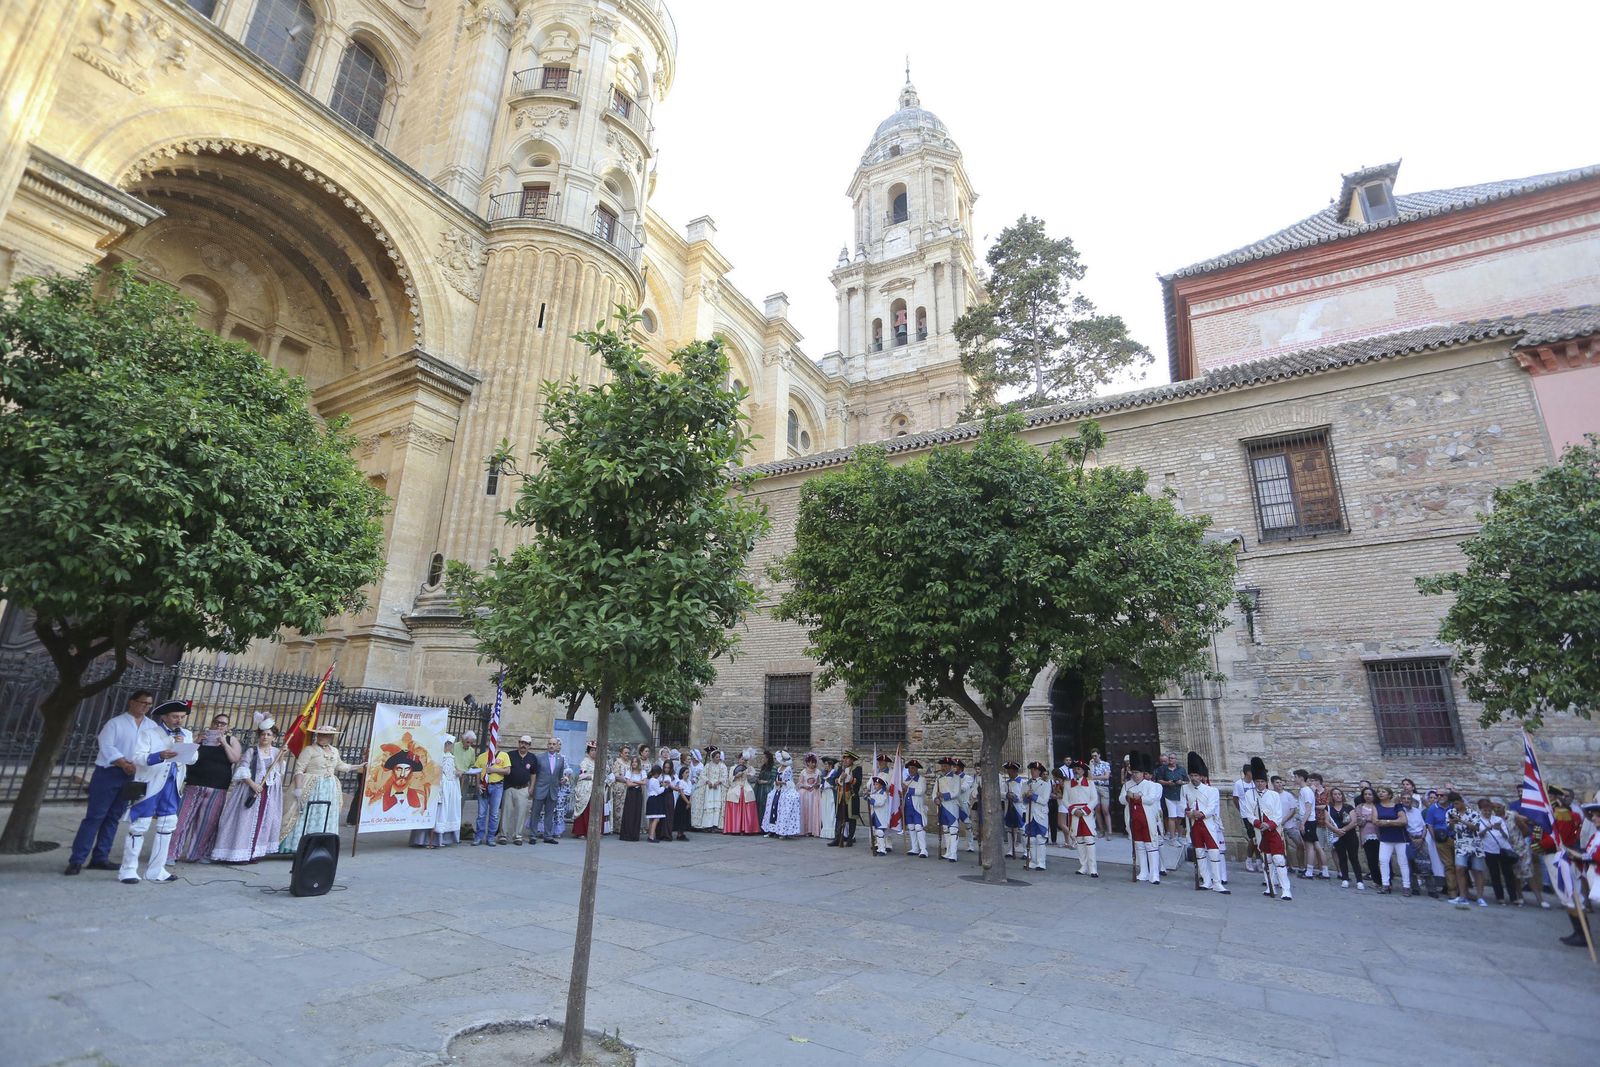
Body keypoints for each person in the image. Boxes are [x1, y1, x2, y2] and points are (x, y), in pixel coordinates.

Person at [66, 690, 157, 876]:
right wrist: (123, 762)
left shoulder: (151, 726)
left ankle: (100, 857)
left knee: (114, 817)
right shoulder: (115, 723)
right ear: (132, 702)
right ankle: (77, 859)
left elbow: (154, 747)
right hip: (109, 773)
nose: (145, 707)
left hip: (133, 775)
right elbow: (107, 745)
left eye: (149, 704)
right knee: (95, 817)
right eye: (142, 703)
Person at [117, 700, 198, 884]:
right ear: (164, 717)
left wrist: (184, 744)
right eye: (175, 717)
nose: (179, 721)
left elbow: (192, 759)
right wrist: (160, 755)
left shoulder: (186, 734)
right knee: (139, 826)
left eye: (182, 717)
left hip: (172, 786)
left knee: (167, 825)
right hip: (150, 785)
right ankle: (128, 870)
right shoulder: (149, 734)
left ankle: (156, 869)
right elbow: (137, 758)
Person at [280, 723, 365, 855]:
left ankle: (321, 846)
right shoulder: (309, 750)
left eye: (325, 735)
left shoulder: (334, 751)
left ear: (331, 737)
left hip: (329, 788)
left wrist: (358, 766)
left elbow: (341, 766)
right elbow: (299, 769)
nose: (321, 737)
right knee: (308, 814)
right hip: (312, 786)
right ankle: (301, 847)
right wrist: (298, 789)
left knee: (325, 815)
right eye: (320, 734)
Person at [171, 712, 241, 863]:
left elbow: (235, 759)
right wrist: (197, 741)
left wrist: (224, 743)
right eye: (217, 722)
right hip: (194, 784)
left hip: (217, 787)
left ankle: (197, 854)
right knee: (181, 821)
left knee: (207, 823)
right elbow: (186, 756)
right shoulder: (200, 737)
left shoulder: (231, 740)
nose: (219, 725)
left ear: (227, 727)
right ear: (212, 723)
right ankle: (171, 853)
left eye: (223, 724)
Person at [212, 723, 286, 862]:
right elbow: (243, 770)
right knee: (245, 821)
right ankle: (239, 853)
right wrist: (253, 785)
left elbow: (279, 770)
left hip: (268, 793)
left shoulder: (276, 752)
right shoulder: (252, 751)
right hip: (250, 791)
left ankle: (253, 852)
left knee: (262, 821)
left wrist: (282, 755)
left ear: (274, 738)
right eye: (263, 734)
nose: (265, 737)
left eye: (269, 734)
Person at [1240, 757, 1292, 900]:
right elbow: (1248, 813)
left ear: (1266, 782)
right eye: (1257, 781)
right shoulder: (1249, 794)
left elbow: (1278, 813)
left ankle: (1286, 890)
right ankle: (1270, 886)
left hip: (1274, 830)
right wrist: (1257, 823)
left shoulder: (1274, 795)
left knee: (1279, 859)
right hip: (1259, 831)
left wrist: (1270, 824)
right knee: (1266, 859)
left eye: (1262, 781)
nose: (1260, 784)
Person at [1182, 752, 1228, 893]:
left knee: (1214, 852)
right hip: (1194, 824)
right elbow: (1182, 804)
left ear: (1201, 776)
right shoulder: (1184, 788)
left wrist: (1201, 813)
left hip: (1207, 824)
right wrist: (1188, 812)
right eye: (1192, 776)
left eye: (1196, 776)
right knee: (1199, 852)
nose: (1194, 778)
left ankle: (1217, 881)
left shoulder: (1211, 790)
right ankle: (1206, 880)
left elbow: (1212, 807)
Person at [1556, 801, 1600, 947]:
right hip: (1591, 873)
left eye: (1597, 816)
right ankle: (1582, 936)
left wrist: (1578, 856)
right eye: (1593, 816)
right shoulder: (1597, 834)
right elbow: (1590, 853)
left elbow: (1595, 856)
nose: (1593, 818)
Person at [408, 735, 462, 849]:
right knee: (439, 813)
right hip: (443, 788)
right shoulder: (448, 757)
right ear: (447, 745)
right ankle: (434, 840)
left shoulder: (434, 756)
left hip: (433, 786)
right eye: (451, 745)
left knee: (430, 812)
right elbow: (449, 774)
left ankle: (422, 839)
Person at [1121, 755, 1165, 884]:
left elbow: (1151, 799)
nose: (1135, 775)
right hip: (1134, 819)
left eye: (1138, 773)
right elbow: (1121, 799)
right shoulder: (1127, 785)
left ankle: (1154, 873)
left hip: (1148, 818)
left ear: (1142, 773)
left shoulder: (1151, 785)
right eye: (1133, 772)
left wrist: (1136, 796)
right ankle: (1143, 871)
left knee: (1151, 845)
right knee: (1139, 845)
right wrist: (1129, 797)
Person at [1479, 797, 1521, 906]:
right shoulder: (1479, 820)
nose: (1487, 812)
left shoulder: (1498, 819)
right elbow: (1479, 836)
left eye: (1489, 810)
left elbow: (1506, 836)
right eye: (1485, 811)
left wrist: (1500, 829)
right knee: (1495, 874)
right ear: (1481, 810)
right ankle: (1500, 897)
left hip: (1503, 849)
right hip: (1489, 850)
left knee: (1508, 874)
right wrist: (1487, 828)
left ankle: (1513, 897)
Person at [1373, 786, 1414, 896]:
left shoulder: (1397, 806)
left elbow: (1404, 821)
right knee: (1383, 860)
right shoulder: (1376, 806)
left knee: (1403, 862)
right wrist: (1395, 822)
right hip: (1385, 837)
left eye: (1383, 791)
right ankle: (1385, 885)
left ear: (1390, 795)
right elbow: (1376, 821)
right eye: (1379, 792)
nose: (1380, 793)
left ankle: (1406, 886)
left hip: (1400, 838)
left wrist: (1386, 822)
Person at [529, 736, 569, 844]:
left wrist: (562, 781)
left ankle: (548, 835)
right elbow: (534, 774)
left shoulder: (561, 759)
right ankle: (533, 835)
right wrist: (532, 787)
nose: (551, 746)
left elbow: (559, 775)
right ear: (547, 745)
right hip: (540, 788)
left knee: (550, 813)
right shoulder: (539, 758)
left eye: (554, 744)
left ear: (557, 746)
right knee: (535, 813)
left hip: (553, 790)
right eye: (550, 744)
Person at [469, 743, 510, 847]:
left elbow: (507, 771)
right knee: (481, 813)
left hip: (497, 787)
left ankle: (491, 837)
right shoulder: (482, 756)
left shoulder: (504, 755)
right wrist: (478, 785)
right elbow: (478, 771)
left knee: (494, 814)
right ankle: (479, 836)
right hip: (484, 786)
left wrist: (494, 770)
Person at [498, 736, 537, 845]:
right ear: (518, 743)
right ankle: (503, 835)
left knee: (521, 814)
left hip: (523, 788)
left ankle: (518, 836)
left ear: (529, 746)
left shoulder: (532, 758)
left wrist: (531, 787)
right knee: (506, 812)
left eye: (526, 743)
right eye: (522, 742)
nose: (523, 745)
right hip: (509, 787)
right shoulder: (509, 755)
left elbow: (533, 774)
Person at [1063, 762, 1099, 877]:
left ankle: (1093, 868)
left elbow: (1094, 799)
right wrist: (1074, 810)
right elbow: (1065, 800)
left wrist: (1084, 811)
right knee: (1079, 840)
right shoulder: (1068, 784)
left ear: (1083, 771)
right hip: (1075, 815)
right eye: (1074, 769)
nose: (1076, 771)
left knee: (1089, 840)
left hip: (1086, 815)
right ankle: (1083, 866)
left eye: (1078, 769)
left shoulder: (1090, 783)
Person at [1322, 787, 1361, 888]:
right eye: (1335, 794)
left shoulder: (1348, 807)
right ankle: (1345, 878)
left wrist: (1343, 830)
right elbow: (1326, 821)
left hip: (1350, 835)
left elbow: (1354, 821)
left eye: (1339, 794)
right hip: (1337, 836)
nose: (1337, 796)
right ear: (1332, 796)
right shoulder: (1328, 808)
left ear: (1342, 795)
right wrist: (1336, 831)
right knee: (1342, 857)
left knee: (1354, 857)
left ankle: (1359, 880)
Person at [1293, 770, 1324, 879]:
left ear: (1301, 778)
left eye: (1295, 777)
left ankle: (1309, 871)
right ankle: (1324, 871)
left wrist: (1302, 823)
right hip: (1308, 821)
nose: (1294, 779)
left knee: (1309, 846)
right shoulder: (1305, 790)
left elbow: (1308, 809)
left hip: (1308, 821)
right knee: (1315, 845)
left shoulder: (1306, 791)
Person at [725, 749, 761, 835]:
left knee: (748, 798)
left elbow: (753, 774)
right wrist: (735, 776)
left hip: (746, 787)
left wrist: (748, 766)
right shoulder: (733, 768)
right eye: (741, 759)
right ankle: (735, 828)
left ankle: (747, 828)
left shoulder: (747, 768)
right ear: (738, 759)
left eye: (744, 759)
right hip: (735, 788)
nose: (743, 761)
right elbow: (729, 780)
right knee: (734, 797)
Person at [1023, 762, 1051, 871]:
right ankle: (1033, 861)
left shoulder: (1045, 784)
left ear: (1039, 772)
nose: (1033, 772)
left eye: (1035, 770)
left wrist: (1033, 796)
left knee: (1040, 838)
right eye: (1032, 770)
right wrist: (1026, 796)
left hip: (1040, 814)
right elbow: (1023, 801)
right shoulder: (1026, 784)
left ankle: (1041, 862)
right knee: (1032, 839)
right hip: (1030, 813)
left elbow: (1044, 800)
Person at [1232, 763, 1260, 874]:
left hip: (1256, 813)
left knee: (1258, 838)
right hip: (1246, 814)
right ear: (1247, 772)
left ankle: (1258, 860)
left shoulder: (1255, 783)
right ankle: (1248, 859)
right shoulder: (1239, 784)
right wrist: (1241, 810)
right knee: (1253, 838)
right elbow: (1235, 798)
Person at [1154, 752, 1186, 844]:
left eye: (1173, 758)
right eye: (1170, 758)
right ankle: (1172, 838)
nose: (1171, 760)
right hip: (1169, 795)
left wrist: (1181, 782)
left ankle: (1180, 836)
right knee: (1172, 816)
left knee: (1180, 816)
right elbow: (1159, 780)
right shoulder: (1163, 769)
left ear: (1176, 759)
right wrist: (1167, 783)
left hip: (1180, 794)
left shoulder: (1181, 769)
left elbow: (1187, 780)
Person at [829, 751, 860, 847]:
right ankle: (837, 838)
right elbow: (835, 781)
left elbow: (857, 782)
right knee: (839, 818)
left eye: (847, 758)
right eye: (844, 758)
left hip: (851, 797)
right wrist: (840, 779)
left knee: (851, 819)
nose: (845, 760)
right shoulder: (840, 769)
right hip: (840, 796)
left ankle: (850, 838)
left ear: (852, 760)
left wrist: (849, 779)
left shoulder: (857, 769)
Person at [899, 759, 929, 857]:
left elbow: (921, 791)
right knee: (911, 827)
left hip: (917, 807)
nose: (911, 770)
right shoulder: (906, 780)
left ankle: (923, 849)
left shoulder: (921, 779)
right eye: (910, 768)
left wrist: (908, 789)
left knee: (918, 827)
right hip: (907, 807)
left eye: (913, 768)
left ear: (917, 769)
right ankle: (915, 848)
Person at [1354, 786, 1381, 890]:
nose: (1367, 796)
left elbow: (1378, 819)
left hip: (1379, 835)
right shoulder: (1360, 807)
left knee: (1382, 859)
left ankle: (1386, 880)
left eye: (1370, 794)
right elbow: (1358, 821)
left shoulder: (1378, 806)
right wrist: (1367, 819)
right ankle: (1376, 881)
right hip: (1366, 835)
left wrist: (1367, 818)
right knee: (1371, 859)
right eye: (1365, 794)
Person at [570, 741, 598, 839]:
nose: (594, 752)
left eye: (596, 750)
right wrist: (594, 776)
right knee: (585, 808)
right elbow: (582, 775)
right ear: (588, 751)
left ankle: (593, 831)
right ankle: (581, 831)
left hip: (596, 789)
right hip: (586, 788)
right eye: (592, 750)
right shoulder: (584, 762)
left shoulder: (598, 762)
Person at [455, 730, 479, 839]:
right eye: (467, 742)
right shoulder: (454, 747)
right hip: (453, 778)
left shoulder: (471, 751)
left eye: (471, 743)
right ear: (462, 738)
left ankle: (455, 832)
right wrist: (456, 769)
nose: (468, 745)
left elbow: (471, 765)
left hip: (464, 779)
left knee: (460, 805)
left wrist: (472, 770)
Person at [619, 756, 646, 841]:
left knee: (637, 813)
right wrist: (639, 783)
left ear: (638, 763)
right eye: (633, 762)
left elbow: (644, 782)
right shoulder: (629, 772)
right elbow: (629, 784)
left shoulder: (642, 772)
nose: (634, 763)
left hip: (638, 794)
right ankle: (627, 834)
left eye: (636, 762)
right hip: (631, 793)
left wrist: (634, 781)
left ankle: (634, 835)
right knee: (629, 813)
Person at [1088, 750, 1112, 838]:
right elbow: (1090, 777)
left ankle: (1109, 832)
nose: (1094, 758)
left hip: (1104, 787)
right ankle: (1101, 831)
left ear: (1099, 755)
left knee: (1105, 810)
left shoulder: (1105, 764)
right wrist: (1090, 766)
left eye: (1095, 756)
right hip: (1094, 788)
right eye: (1092, 756)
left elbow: (1106, 777)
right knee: (1097, 810)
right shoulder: (1091, 765)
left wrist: (1094, 777)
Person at [798, 753, 823, 837]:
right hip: (805, 793)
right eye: (811, 762)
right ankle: (804, 830)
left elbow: (820, 783)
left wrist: (817, 786)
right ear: (807, 763)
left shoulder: (818, 772)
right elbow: (799, 783)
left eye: (814, 762)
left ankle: (812, 830)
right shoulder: (803, 772)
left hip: (814, 794)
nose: (812, 764)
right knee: (805, 811)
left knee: (813, 811)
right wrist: (805, 786)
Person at [608, 746, 632, 835]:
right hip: (620, 787)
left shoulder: (630, 763)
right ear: (621, 753)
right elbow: (615, 775)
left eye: (628, 753)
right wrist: (626, 780)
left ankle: (625, 826)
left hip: (629, 787)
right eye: (625, 753)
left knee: (627, 807)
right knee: (618, 807)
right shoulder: (617, 762)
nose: (627, 754)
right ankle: (618, 827)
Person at [866, 775, 892, 856]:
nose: (875, 786)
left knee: (880, 832)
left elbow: (879, 803)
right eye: (875, 784)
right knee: (877, 832)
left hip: (881, 816)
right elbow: (871, 797)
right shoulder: (876, 793)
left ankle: (882, 849)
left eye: (877, 784)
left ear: (881, 785)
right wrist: (867, 797)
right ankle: (879, 847)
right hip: (875, 815)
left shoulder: (883, 794)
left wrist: (871, 800)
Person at [957, 759, 978, 853]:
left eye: (956, 766)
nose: (954, 768)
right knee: (952, 825)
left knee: (967, 824)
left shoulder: (968, 778)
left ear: (961, 768)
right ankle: (952, 845)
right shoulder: (951, 777)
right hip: (954, 804)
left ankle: (970, 845)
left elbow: (963, 788)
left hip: (963, 804)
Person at [671, 759, 694, 841]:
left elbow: (690, 792)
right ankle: (679, 833)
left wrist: (690, 801)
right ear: (682, 774)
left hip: (688, 799)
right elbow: (681, 793)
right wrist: (687, 802)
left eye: (688, 773)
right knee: (680, 816)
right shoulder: (681, 782)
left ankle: (683, 832)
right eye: (686, 773)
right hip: (682, 800)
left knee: (685, 817)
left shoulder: (689, 782)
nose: (687, 774)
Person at [818, 755, 838, 841]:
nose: (825, 766)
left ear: (830, 765)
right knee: (825, 811)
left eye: (826, 764)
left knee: (831, 811)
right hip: (825, 793)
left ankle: (832, 832)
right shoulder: (824, 773)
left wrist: (825, 780)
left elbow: (832, 782)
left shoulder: (834, 772)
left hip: (831, 793)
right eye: (825, 764)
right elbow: (822, 782)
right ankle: (825, 830)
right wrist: (821, 786)